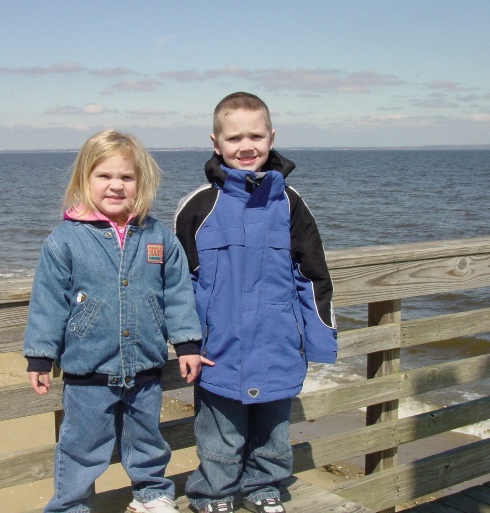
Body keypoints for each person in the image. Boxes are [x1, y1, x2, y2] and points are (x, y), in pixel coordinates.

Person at [24, 129, 210, 513]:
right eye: (104, 175)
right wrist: (40, 356)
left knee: (147, 440)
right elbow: (48, 302)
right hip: (88, 370)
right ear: (85, 179)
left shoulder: (158, 236)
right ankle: (69, 505)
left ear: (141, 182)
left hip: (145, 368)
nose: (115, 185)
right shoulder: (65, 239)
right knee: (81, 446)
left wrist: (188, 344)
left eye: (126, 177)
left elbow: (177, 293)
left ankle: (151, 494)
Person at [174, 92, 338, 513]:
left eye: (256, 136)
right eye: (234, 138)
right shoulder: (197, 207)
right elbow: (177, 285)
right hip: (218, 351)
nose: (246, 146)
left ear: (271, 138)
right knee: (219, 435)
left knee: (273, 431)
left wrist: (319, 341)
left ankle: (265, 487)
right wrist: (186, 343)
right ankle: (213, 494)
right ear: (216, 143)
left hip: (278, 344)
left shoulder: (291, 204)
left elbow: (313, 278)